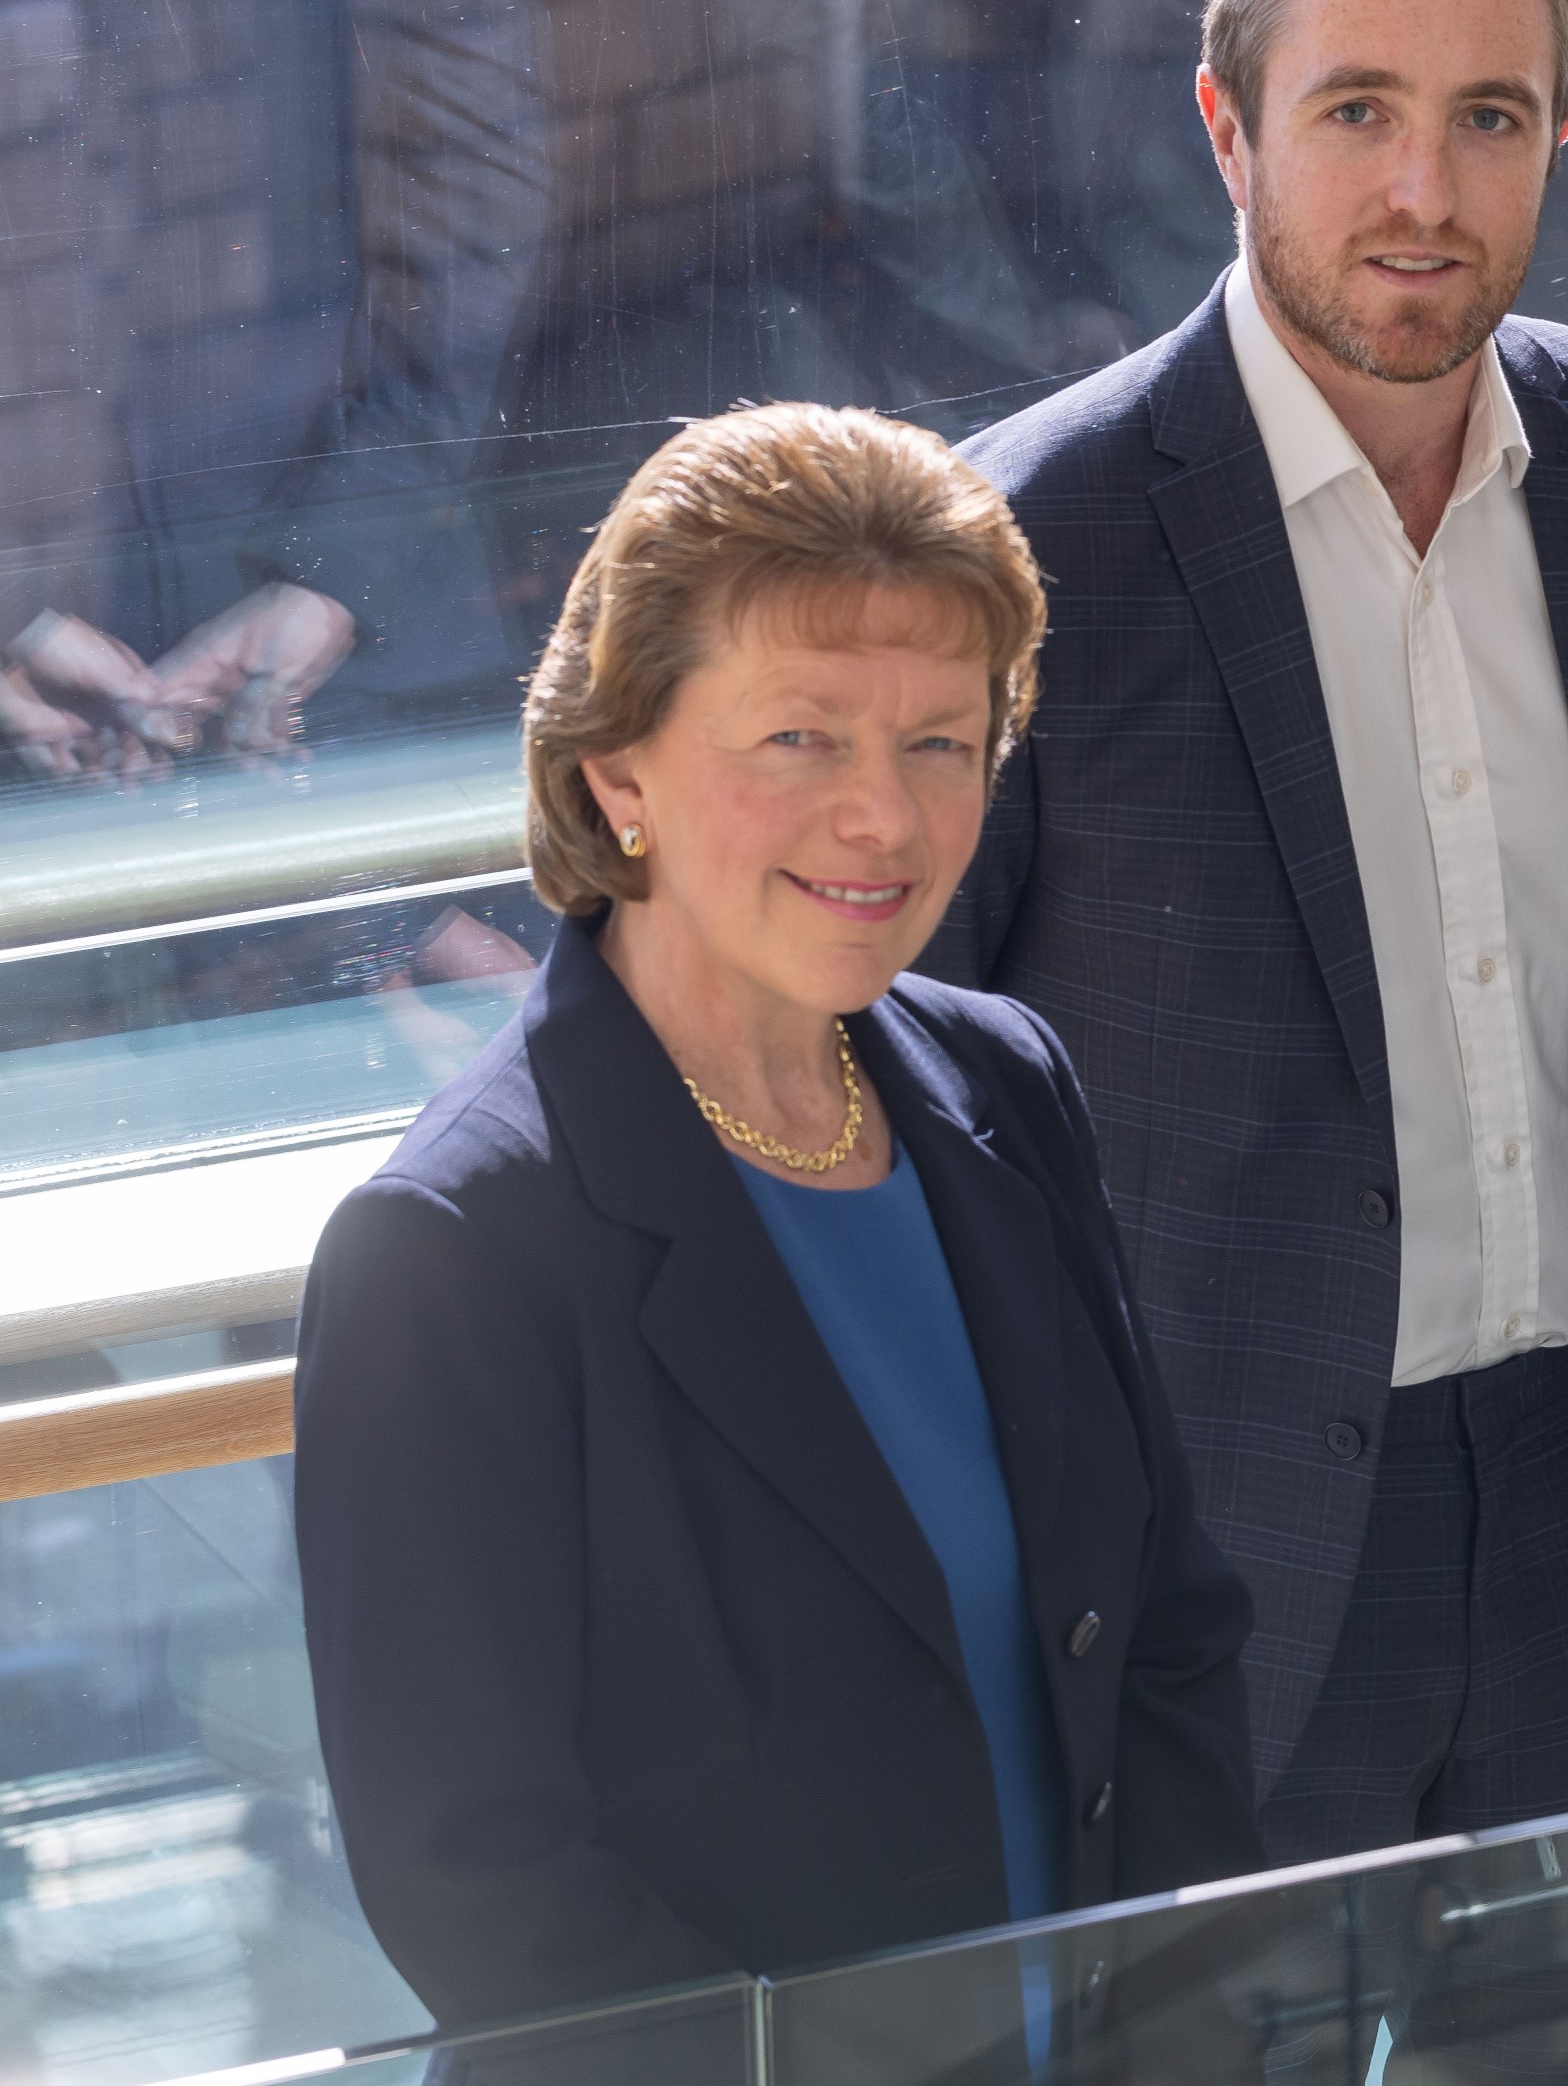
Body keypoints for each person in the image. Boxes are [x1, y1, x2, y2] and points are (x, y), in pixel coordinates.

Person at [924, 0, 1568, 2078]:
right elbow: (929, 1099)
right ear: (1227, 126)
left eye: (1490, 115)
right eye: (1356, 111)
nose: (1424, 189)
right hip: (1217, 1546)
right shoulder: (1024, 540)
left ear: (1566, 128)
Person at [291, 404, 1261, 2046]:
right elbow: (480, 1876)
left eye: (941, 742)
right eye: (802, 737)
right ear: (617, 770)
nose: (885, 815)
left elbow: (1166, 1625)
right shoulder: (451, 1250)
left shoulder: (1008, 1081)